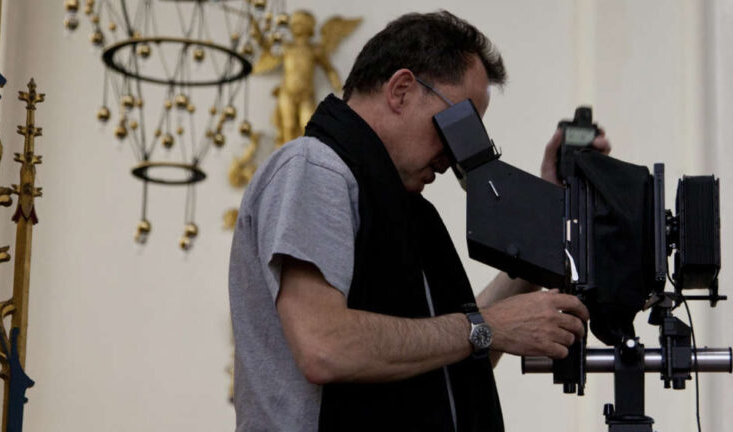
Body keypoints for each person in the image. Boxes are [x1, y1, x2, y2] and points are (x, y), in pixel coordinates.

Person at [229, 10, 611, 432]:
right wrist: (488, 327)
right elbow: (325, 347)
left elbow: (448, 355)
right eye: (458, 126)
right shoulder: (315, 166)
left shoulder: (406, 209)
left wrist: (550, 213)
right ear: (401, 89)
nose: (456, 156)